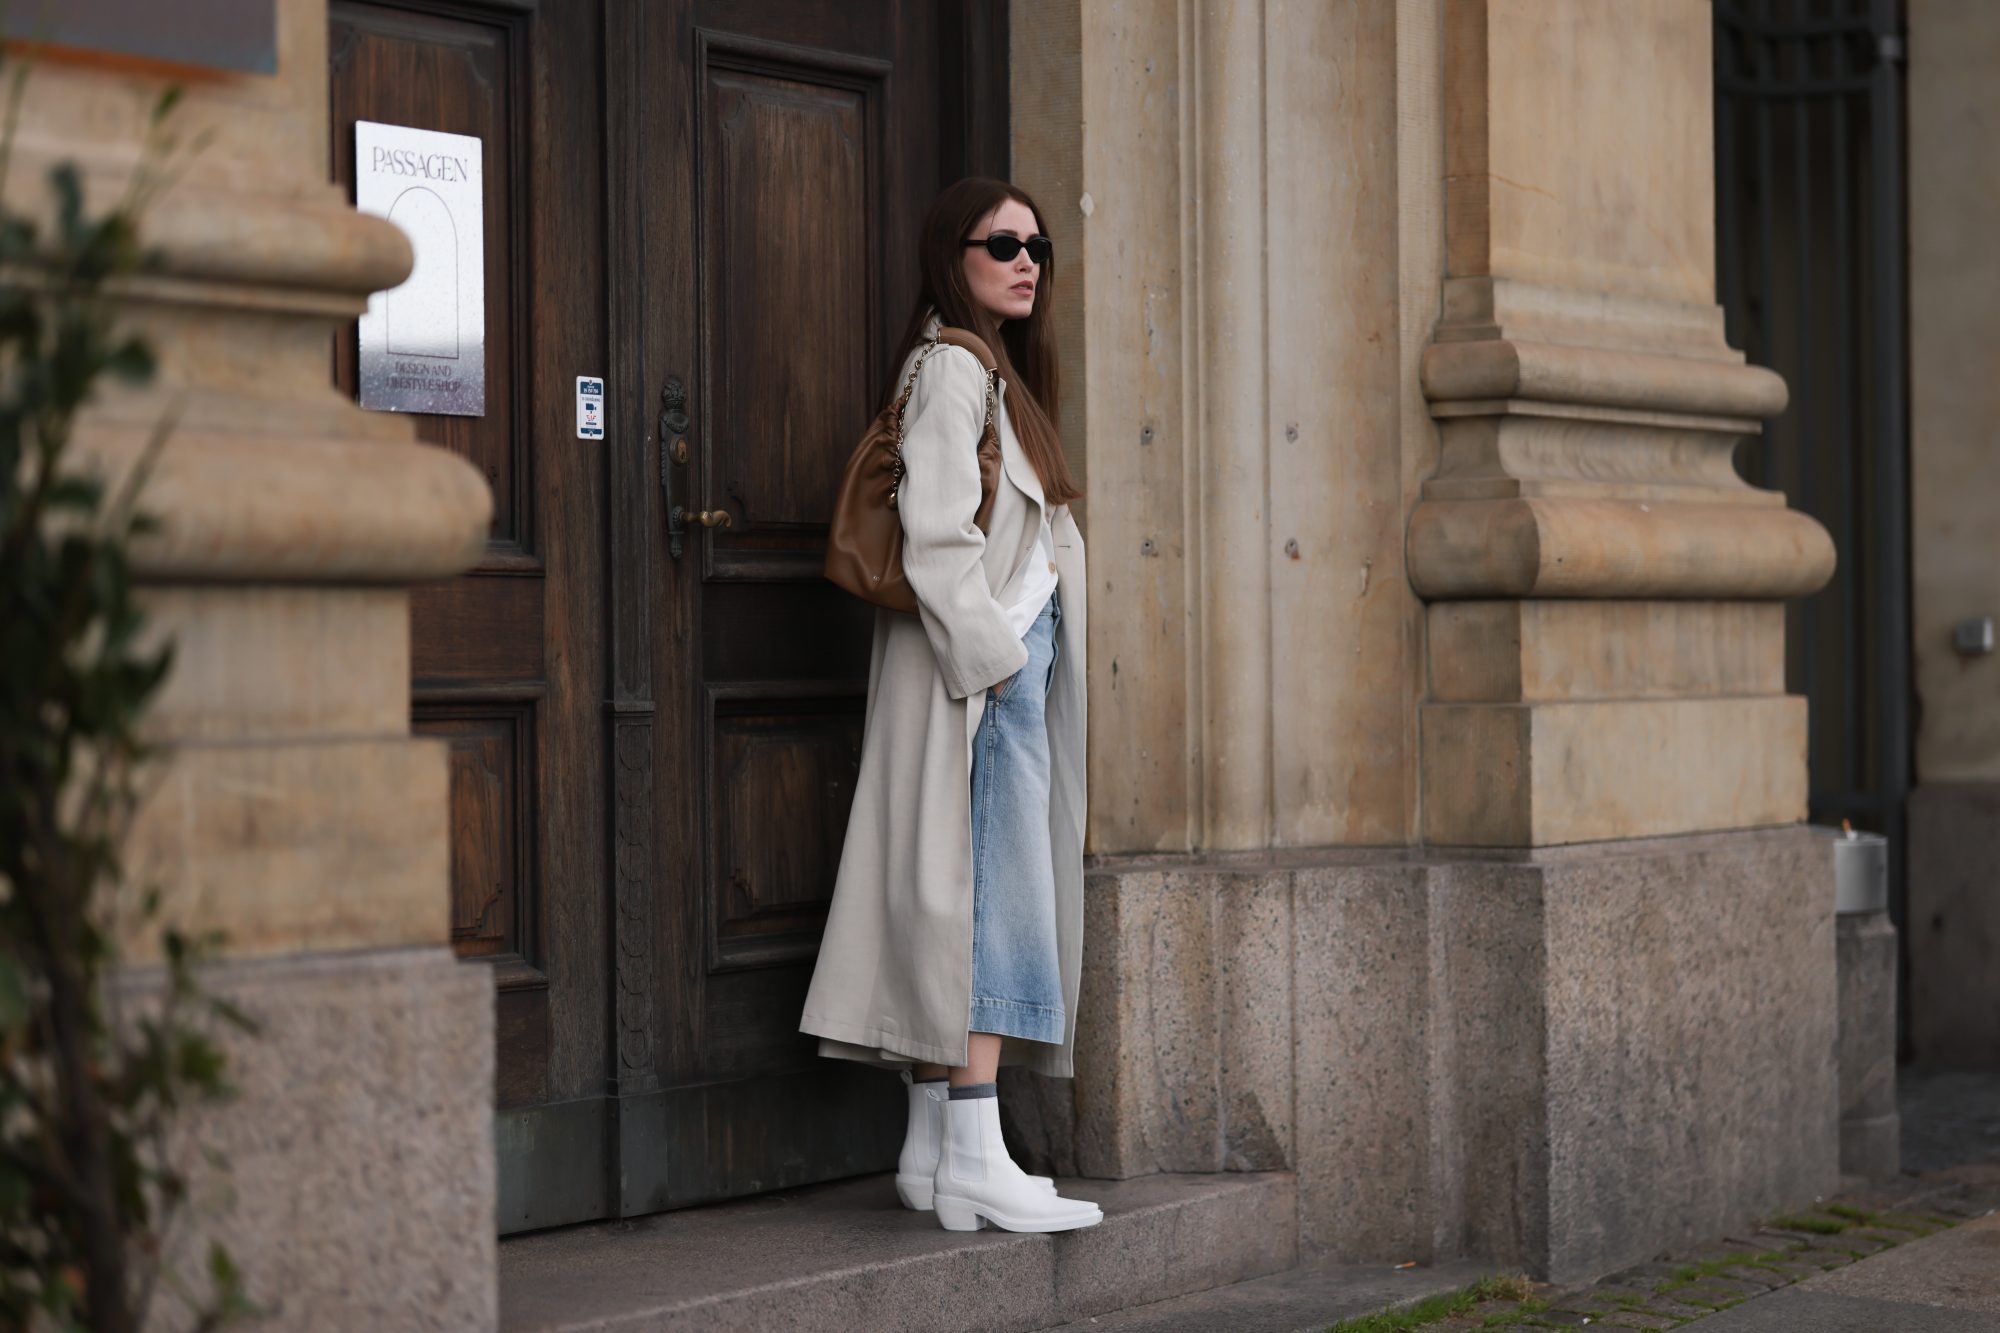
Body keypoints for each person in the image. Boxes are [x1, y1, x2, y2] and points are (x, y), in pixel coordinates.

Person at [800, 177, 1096, 1234]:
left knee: (958, 893)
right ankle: (975, 1145)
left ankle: (933, 1147)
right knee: (992, 902)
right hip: (980, 681)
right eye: (1001, 242)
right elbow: (933, 531)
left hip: (983, 674)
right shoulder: (953, 367)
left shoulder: (988, 372)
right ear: (952, 255)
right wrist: (1000, 664)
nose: (1025, 259)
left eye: (1037, 245)